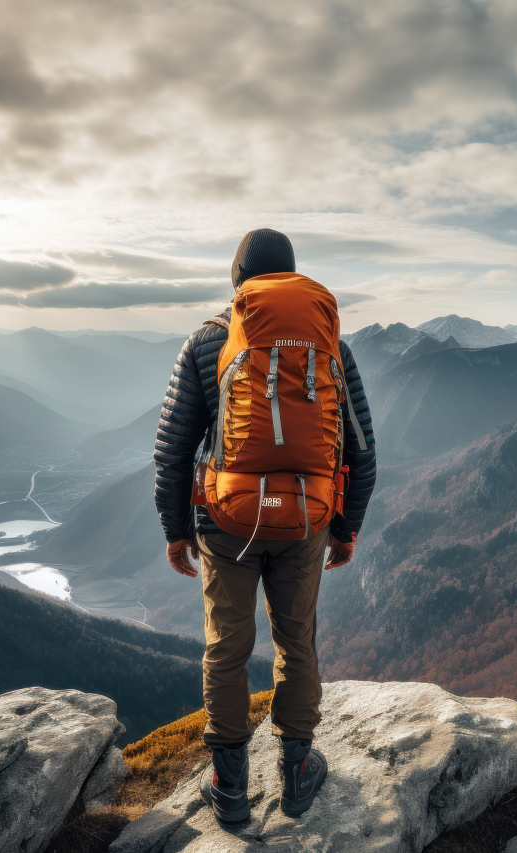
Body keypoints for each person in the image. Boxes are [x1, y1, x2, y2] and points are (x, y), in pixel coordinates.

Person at [153, 228, 377, 822]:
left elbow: (172, 449)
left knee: (226, 648)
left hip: (225, 521)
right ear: (295, 278)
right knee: (295, 642)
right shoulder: (331, 347)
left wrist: (176, 530)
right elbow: (363, 452)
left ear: (238, 281)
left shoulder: (208, 340)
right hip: (305, 520)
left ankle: (229, 790)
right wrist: (345, 528)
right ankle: (297, 773)